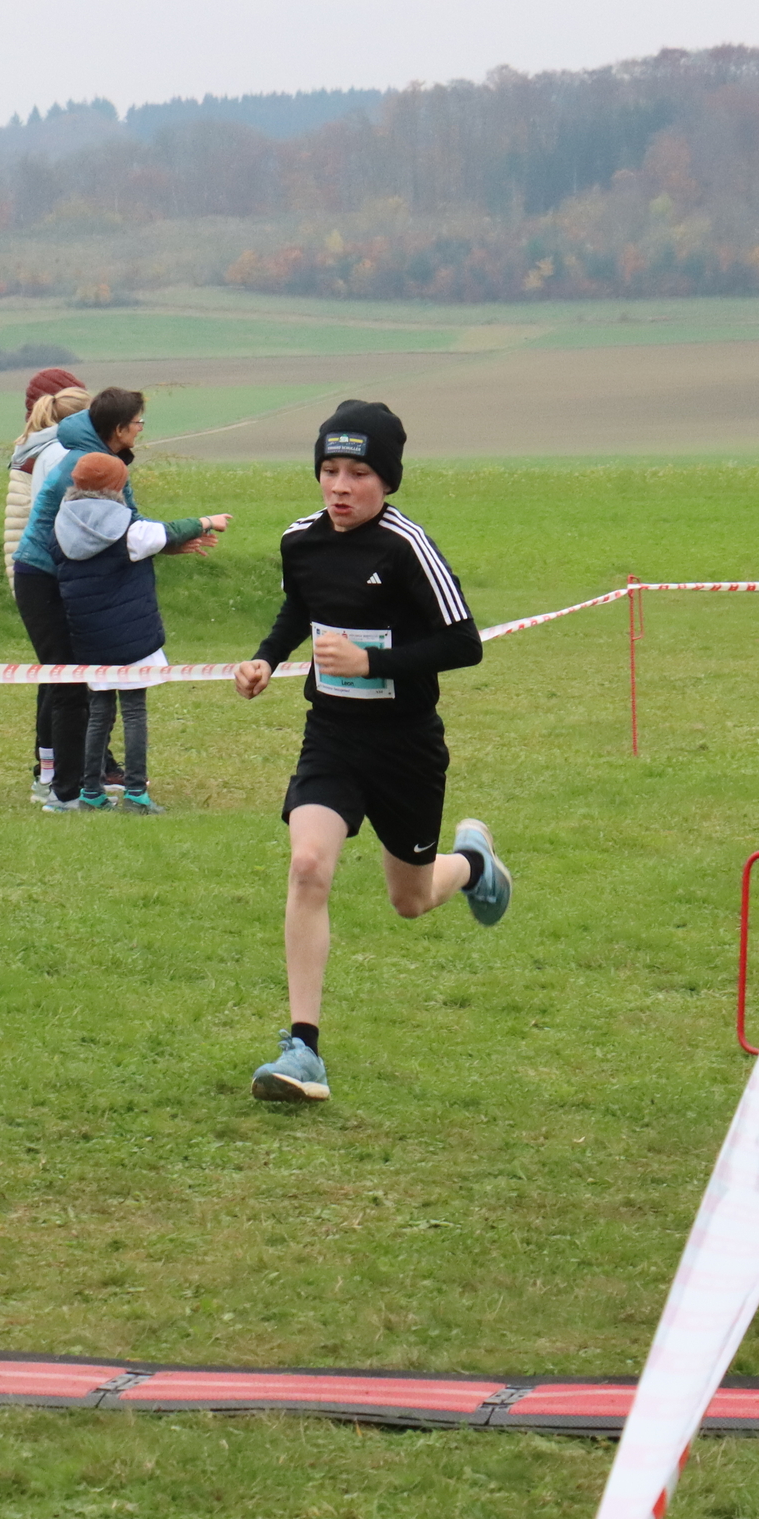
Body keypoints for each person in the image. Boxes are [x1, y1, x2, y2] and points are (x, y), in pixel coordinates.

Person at [231, 402, 512, 1102]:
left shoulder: (406, 546)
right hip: (331, 736)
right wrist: (266, 658)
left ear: (386, 480)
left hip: (406, 747)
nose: (340, 485)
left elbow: (464, 644)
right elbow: (298, 609)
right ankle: (303, 1050)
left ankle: (472, 864)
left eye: (358, 472)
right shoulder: (300, 541)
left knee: (410, 900)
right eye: (329, 469)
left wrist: (371, 664)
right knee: (307, 866)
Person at [49, 449, 228, 813]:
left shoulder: (62, 526)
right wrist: (207, 521)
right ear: (116, 488)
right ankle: (135, 793)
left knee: (99, 713)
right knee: (134, 712)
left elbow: (147, 544)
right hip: (131, 640)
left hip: (88, 638)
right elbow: (165, 532)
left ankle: (91, 792)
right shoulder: (128, 529)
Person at [16, 385, 153, 810]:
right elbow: (123, 526)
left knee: (71, 683)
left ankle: (74, 784)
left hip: (60, 577)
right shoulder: (91, 464)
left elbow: (128, 523)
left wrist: (168, 539)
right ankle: (64, 792)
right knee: (68, 685)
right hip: (42, 577)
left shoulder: (99, 455)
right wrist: (181, 532)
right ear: (119, 429)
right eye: (137, 423)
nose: (141, 429)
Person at [6, 368, 85, 791]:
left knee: (57, 670)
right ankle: (58, 770)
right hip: (45, 572)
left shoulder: (34, 448)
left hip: (33, 569)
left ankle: (57, 764)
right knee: (64, 674)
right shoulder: (53, 454)